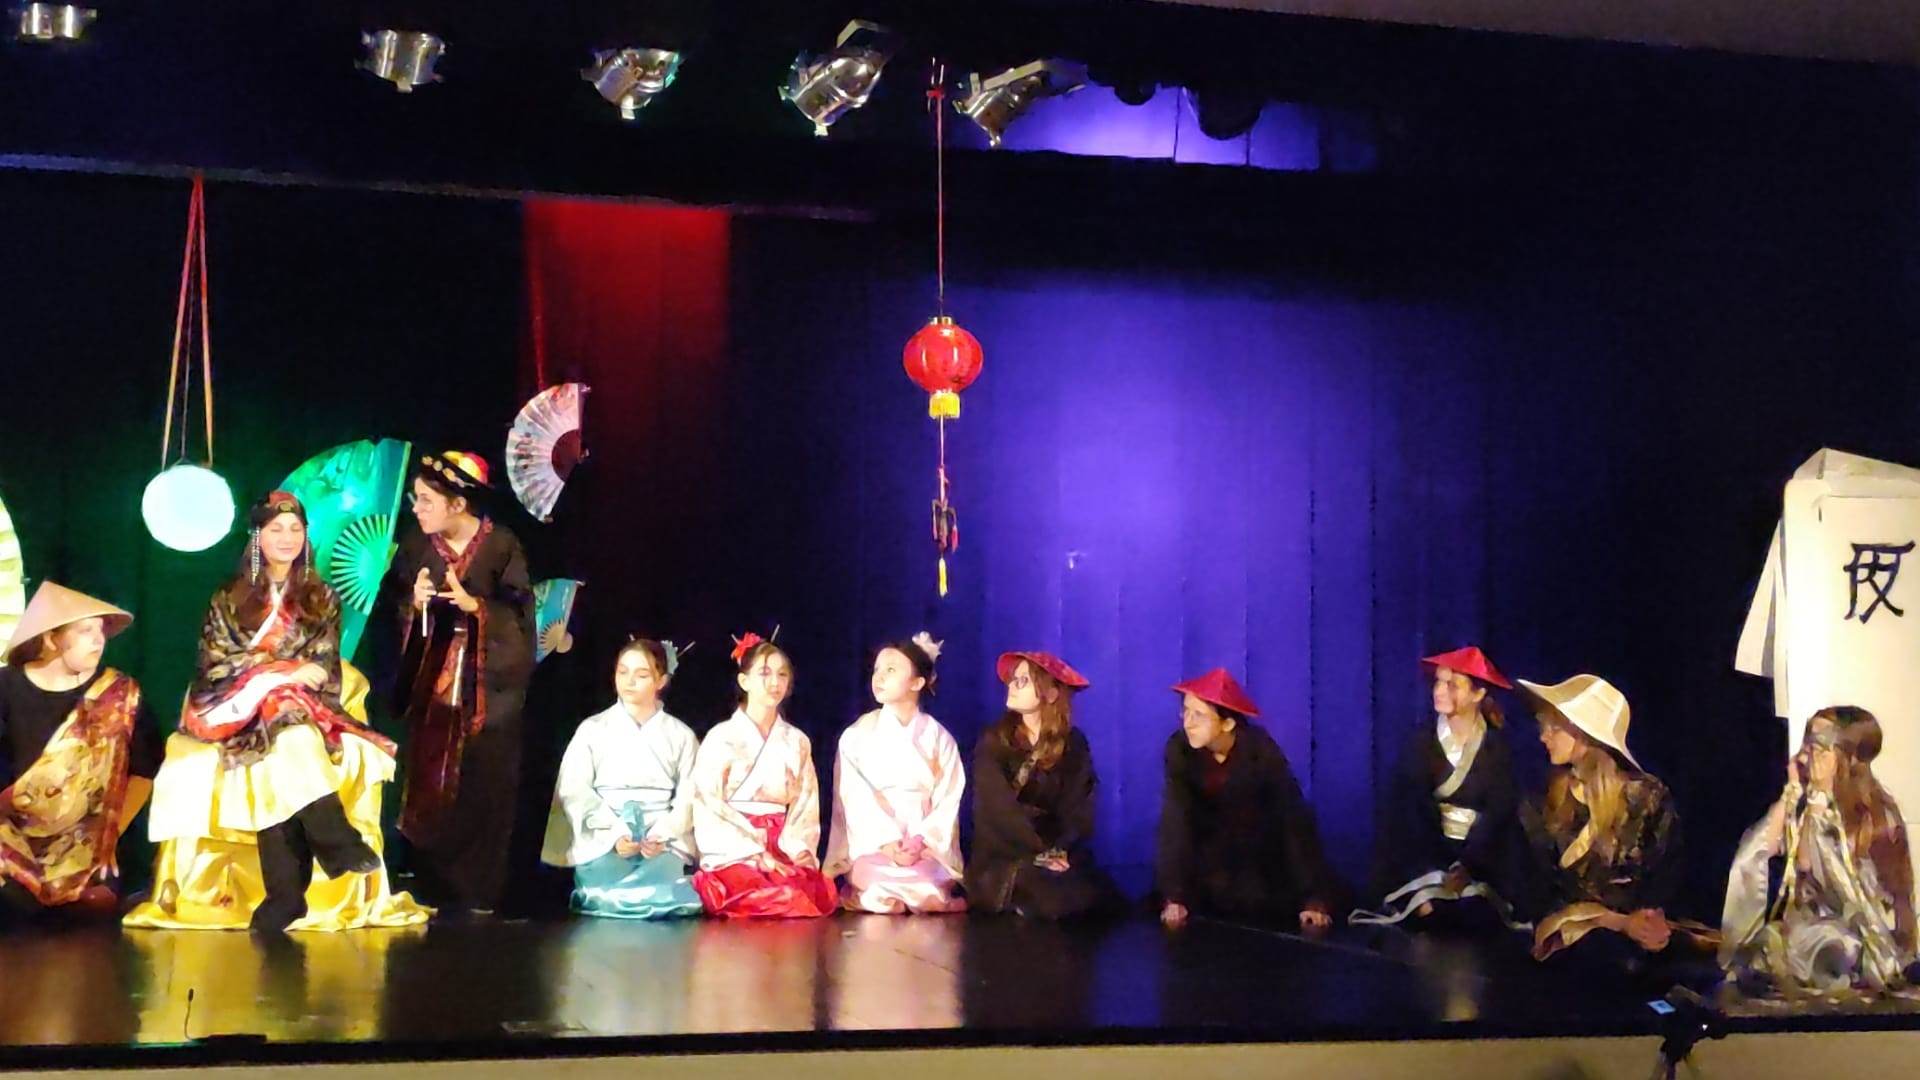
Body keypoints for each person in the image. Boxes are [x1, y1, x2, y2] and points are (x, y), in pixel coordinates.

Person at [127, 491, 425, 932]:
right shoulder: (228, 596)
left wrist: (282, 678)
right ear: (257, 537)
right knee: (282, 722)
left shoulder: (322, 596)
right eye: (275, 529)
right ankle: (331, 838)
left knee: (283, 739)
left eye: (295, 529)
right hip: (232, 705)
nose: (286, 538)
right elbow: (216, 661)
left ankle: (286, 895)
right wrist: (276, 671)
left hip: (299, 708)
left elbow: (321, 666)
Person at [383, 451, 535, 916]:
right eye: (415, 499)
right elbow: (395, 601)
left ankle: (478, 889)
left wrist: (477, 609)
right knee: (432, 776)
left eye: (426, 500)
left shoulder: (501, 545)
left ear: (457, 504)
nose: (417, 508)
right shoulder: (417, 545)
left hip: (485, 684)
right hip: (433, 677)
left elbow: (521, 616)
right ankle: (429, 882)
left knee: (482, 779)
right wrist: (415, 603)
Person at [1722, 706, 1918, 998]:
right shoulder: (1806, 808)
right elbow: (1762, 850)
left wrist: (1817, 811)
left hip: (1857, 940)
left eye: (1819, 748)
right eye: (1807, 746)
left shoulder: (1874, 817)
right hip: (1806, 927)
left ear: (1847, 757)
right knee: (1768, 945)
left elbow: (1826, 873)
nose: (1807, 756)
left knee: (1827, 945)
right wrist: (1791, 791)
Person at [1517, 674, 1710, 963]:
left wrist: (1647, 922)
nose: (1543, 736)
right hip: (1574, 945)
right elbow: (1539, 887)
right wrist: (1615, 922)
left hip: (1638, 945)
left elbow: (1666, 874)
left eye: (1553, 727)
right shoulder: (1543, 798)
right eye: (1542, 726)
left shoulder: (1646, 798)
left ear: (1583, 733)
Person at [0, 582, 160, 921]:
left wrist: (107, 839)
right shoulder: (5, 688)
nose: (98, 640)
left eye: (101, 631)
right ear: (51, 639)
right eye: (86, 631)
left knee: (94, 899)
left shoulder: (120, 696)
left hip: (88, 843)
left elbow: (143, 773)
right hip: (13, 836)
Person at [1354, 647, 1525, 931]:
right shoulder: (1420, 743)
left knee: (1477, 909)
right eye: (1438, 682)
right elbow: (1409, 812)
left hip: (1482, 858)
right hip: (1428, 855)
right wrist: (1435, 866)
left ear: (1478, 693)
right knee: (1430, 905)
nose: (1440, 691)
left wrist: (1468, 865)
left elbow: (1498, 814)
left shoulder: (1497, 748)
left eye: (1452, 684)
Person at [1157, 668, 1338, 931]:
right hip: (1206, 865)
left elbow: (1292, 820)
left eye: (1199, 715)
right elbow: (1176, 820)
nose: (1188, 723)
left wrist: (1313, 897)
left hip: (1258, 864)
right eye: (1185, 712)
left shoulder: (1260, 752)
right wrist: (1174, 895)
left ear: (1227, 724)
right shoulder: (1179, 749)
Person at [540, 638, 704, 919]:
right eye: (623, 672)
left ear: (661, 681)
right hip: (604, 836)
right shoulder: (592, 729)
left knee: (663, 878)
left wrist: (663, 834)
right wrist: (614, 834)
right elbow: (574, 789)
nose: (630, 681)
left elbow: (691, 795)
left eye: (642, 675)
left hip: (659, 840)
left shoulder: (681, 735)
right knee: (607, 881)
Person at [688, 633, 835, 918]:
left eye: (782, 674)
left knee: (799, 890)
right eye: (765, 673)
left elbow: (805, 803)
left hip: (782, 844)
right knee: (765, 894)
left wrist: (798, 851)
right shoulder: (720, 737)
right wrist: (753, 853)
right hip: (735, 848)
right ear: (744, 681)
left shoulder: (797, 740)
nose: (774, 682)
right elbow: (709, 803)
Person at [965, 651, 1116, 918]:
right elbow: (994, 808)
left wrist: (1060, 850)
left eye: (1022, 681)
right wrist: (1037, 853)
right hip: (1007, 853)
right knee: (1039, 887)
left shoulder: (1073, 743)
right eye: (1012, 680)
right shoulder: (995, 740)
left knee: (1093, 892)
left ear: (1051, 693)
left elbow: (1078, 805)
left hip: (1052, 849)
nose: (1012, 686)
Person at [823, 633, 966, 913]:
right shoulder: (857, 735)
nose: (879, 677)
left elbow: (948, 799)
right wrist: (887, 843)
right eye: (877, 669)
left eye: (891, 670)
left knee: (927, 884)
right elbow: (853, 797)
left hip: (923, 848)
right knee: (879, 883)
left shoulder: (939, 738)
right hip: (874, 846)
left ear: (917, 682)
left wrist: (919, 842)